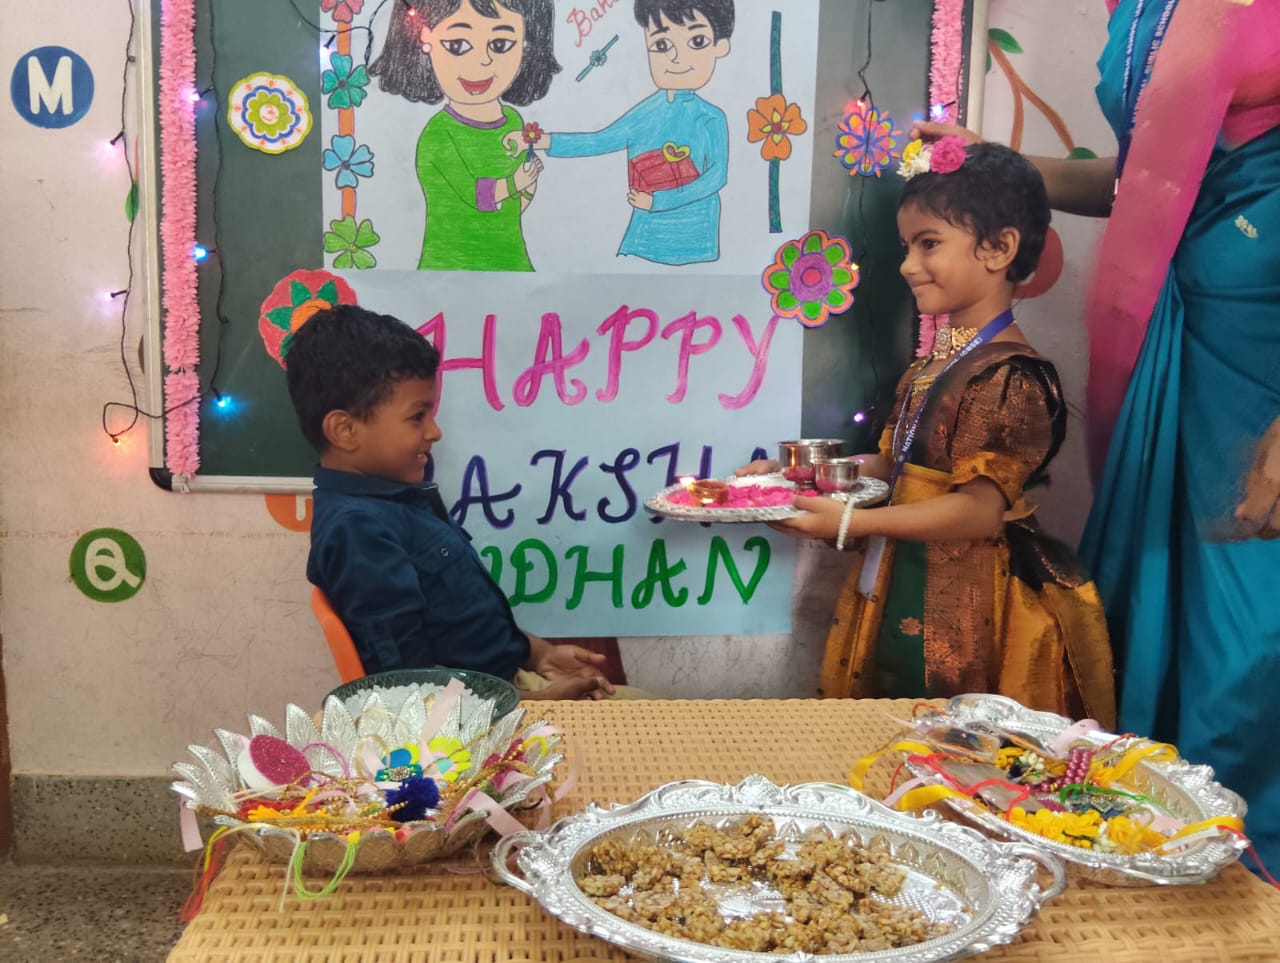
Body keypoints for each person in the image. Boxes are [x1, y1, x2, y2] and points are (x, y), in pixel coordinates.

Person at [914, 0, 1280, 874]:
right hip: (1182, 334)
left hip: (1263, 354)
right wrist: (996, 163)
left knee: (1248, 633)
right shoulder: (1146, 9)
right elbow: (1147, 180)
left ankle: (1253, 865)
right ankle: (1164, 851)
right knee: (1157, 602)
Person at [741, 141, 1115, 726]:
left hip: (966, 601)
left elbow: (979, 512)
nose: (907, 265)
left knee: (945, 737)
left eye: (929, 244)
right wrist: (793, 478)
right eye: (906, 246)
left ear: (999, 248)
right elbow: (894, 465)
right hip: (902, 573)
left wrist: (849, 523)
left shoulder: (1009, 375)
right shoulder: (934, 362)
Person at [284, 304, 621, 700]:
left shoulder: (397, 501)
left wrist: (540, 654)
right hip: (483, 718)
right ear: (345, 430)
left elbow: (462, 625)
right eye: (417, 417)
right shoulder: (358, 531)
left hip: (507, 687)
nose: (435, 431)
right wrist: (539, 702)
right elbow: (409, 690)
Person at [513, 0, 733, 266]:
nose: (676, 58)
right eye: (662, 45)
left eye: (697, 41)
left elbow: (716, 177)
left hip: (695, 235)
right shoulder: (647, 113)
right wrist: (539, 141)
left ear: (721, 46)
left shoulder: (711, 118)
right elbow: (599, 140)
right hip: (645, 237)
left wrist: (657, 201)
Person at [369, 0, 560, 271]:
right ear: (425, 40)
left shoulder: (513, 121)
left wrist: (527, 189)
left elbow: (509, 210)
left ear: (526, 44)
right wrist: (516, 183)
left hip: (511, 261)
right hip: (449, 266)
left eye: (500, 44)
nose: (483, 60)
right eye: (457, 45)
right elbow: (476, 195)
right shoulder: (438, 134)